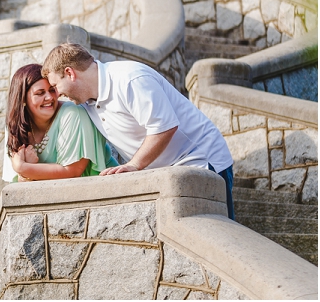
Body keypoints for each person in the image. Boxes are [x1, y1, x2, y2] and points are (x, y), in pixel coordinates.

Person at [41, 42, 236, 220]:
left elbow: (164, 127)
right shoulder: (86, 102)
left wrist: (134, 165)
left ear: (70, 73)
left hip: (202, 161)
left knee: (215, 236)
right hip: (165, 172)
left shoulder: (130, 79)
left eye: (56, 85)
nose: (57, 94)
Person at [2, 63, 117, 182]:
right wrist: (25, 175)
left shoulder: (73, 114)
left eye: (52, 90)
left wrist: (23, 168)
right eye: (40, 93)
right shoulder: (16, 125)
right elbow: (19, 182)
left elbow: (72, 171)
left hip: (102, 188)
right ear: (23, 99)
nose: (50, 97)